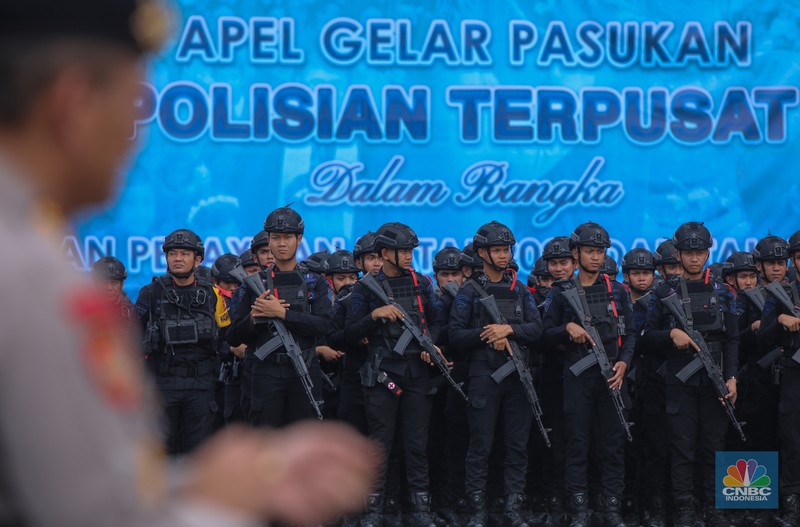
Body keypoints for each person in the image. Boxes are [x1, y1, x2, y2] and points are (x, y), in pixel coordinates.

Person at [0, 1, 378, 525]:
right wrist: (220, 502)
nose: (136, 139)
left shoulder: (30, 251)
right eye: (133, 108)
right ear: (74, 104)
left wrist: (198, 482)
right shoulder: (31, 278)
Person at [640, 222, 739, 527]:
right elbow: (644, 337)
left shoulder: (723, 291)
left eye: (700, 252)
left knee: (714, 446)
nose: (695, 259)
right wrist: (671, 334)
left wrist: (732, 377)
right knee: (682, 447)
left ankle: (714, 506)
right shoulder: (663, 291)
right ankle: (684, 507)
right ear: (678, 254)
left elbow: (733, 338)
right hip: (679, 380)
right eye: (689, 253)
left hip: (715, 381)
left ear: (708, 252)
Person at [345, 222, 443, 527]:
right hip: (382, 374)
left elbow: (439, 323)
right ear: (384, 253)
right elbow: (346, 335)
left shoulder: (422, 284)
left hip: (416, 372)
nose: (409, 256)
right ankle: (372, 511)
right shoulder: (364, 289)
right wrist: (375, 316)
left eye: (411, 251)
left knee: (416, 444)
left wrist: (431, 345)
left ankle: (420, 510)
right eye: (403, 251)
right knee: (380, 444)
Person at [449, 221, 543, 527]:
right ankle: (476, 511)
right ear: (483, 253)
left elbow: (537, 329)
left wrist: (510, 330)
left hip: (518, 375)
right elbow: (456, 336)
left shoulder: (521, 290)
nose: (503, 256)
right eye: (498, 250)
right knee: (481, 445)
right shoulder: (468, 291)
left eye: (506, 250)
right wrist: (488, 335)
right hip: (483, 375)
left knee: (517, 446)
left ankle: (513, 510)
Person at [541, 222, 635, 527]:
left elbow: (631, 333)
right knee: (578, 443)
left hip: (612, 377)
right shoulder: (561, 293)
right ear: (576, 253)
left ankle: (611, 509)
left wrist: (624, 363)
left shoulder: (617, 291)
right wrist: (566, 329)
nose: (595, 258)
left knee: (612, 444)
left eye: (600, 252)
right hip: (578, 376)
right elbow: (543, 335)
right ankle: (579, 510)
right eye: (590, 251)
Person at [228, 207, 332, 427]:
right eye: (276, 238)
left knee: (304, 442)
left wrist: (282, 314)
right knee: (265, 444)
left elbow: (324, 326)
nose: (281, 243)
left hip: (305, 365)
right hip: (265, 370)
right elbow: (233, 337)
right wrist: (253, 318)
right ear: (268, 240)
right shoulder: (253, 284)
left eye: (287, 237)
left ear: (299, 239)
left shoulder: (315, 282)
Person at [134, 229, 222, 455]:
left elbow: (227, 334)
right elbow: (131, 335)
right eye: (173, 254)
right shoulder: (151, 293)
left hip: (200, 385)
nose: (178, 259)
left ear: (198, 259)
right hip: (163, 385)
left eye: (184, 253)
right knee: (162, 453)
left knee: (199, 454)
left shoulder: (212, 294)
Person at [759, 229, 800, 527]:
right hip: (793, 374)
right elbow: (761, 338)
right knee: (791, 438)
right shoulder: (781, 292)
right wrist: (780, 322)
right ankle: (790, 502)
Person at [90, 255, 134, 321]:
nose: (109, 288)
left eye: (114, 283)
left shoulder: (131, 313)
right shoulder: (83, 311)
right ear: (95, 284)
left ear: (122, 285)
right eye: (104, 283)